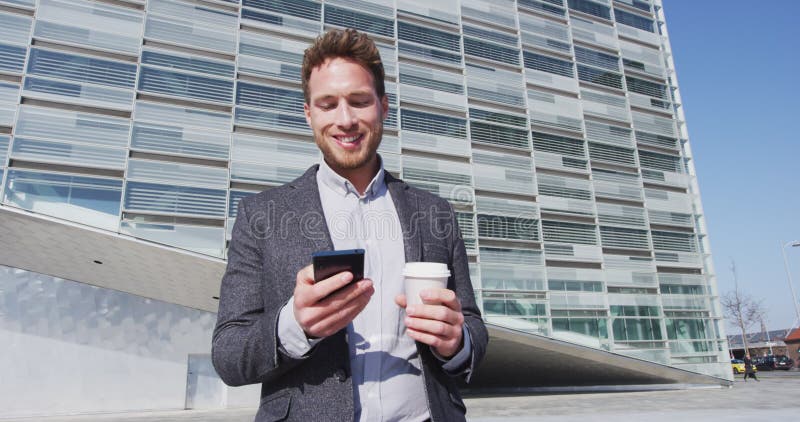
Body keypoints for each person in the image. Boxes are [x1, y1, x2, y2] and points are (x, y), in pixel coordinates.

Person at [212, 28, 488, 422]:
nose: (345, 120)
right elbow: (228, 353)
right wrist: (295, 325)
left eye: (359, 101)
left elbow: (473, 326)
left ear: (383, 106)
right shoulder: (261, 215)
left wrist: (456, 341)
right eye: (328, 104)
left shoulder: (436, 213)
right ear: (308, 113)